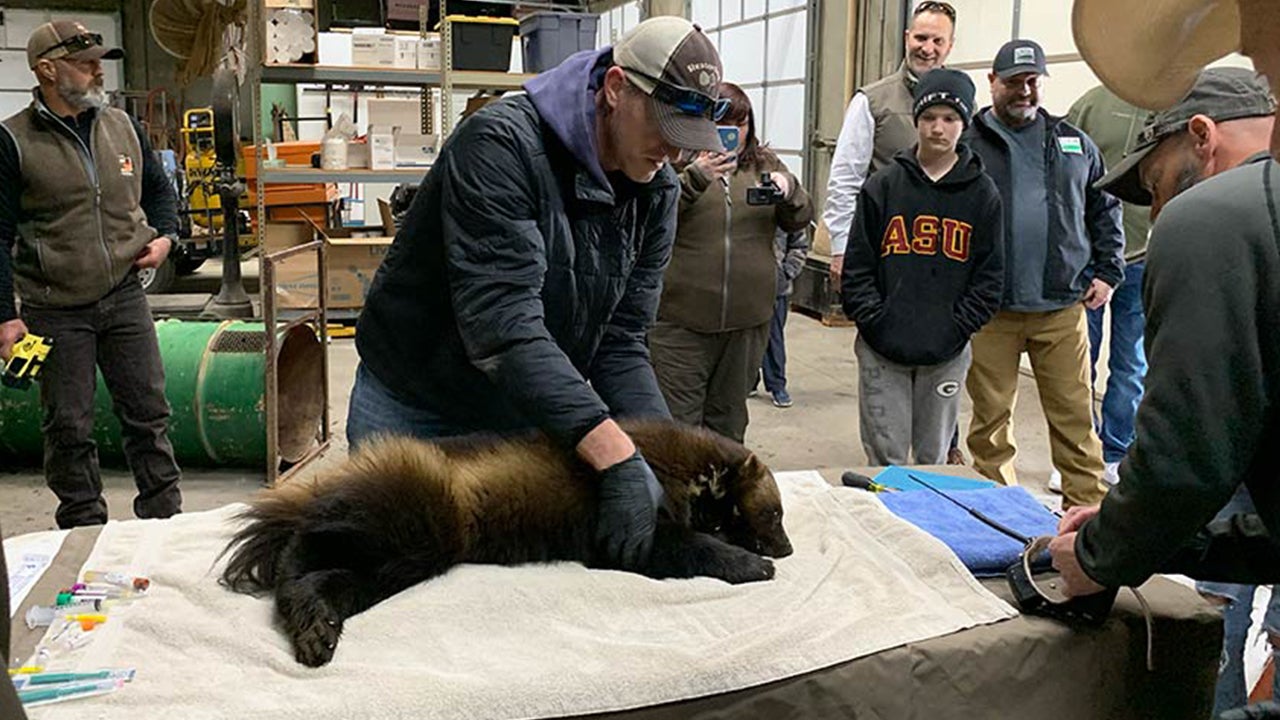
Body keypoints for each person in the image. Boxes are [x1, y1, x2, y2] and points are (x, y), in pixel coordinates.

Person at [350, 17, 725, 570]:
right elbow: (503, 327)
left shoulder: (656, 189)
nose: (673, 153)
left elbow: (620, 341)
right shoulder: (501, 147)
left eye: (686, 139)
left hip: (526, 405)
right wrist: (615, 455)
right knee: (392, 566)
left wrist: (660, 458)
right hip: (418, 403)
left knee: (499, 587)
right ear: (617, 88)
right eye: (665, 127)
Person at [1052, 0, 1280, 595]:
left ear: (1201, 137)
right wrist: (1179, 544)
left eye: (1155, 186)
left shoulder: (1215, 219)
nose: (1156, 213)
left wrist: (1100, 557)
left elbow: (1184, 460)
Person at [0, 21, 182, 529]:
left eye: (99, 60)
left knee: (149, 414)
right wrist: (4, 318)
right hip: (54, 308)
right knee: (68, 426)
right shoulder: (12, 141)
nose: (98, 70)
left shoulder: (121, 125)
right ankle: (82, 529)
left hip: (124, 296)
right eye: (84, 63)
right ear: (46, 69)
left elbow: (161, 193)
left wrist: (166, 238)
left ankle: (164, 523)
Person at [960, 39, 1124, 508]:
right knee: (989, 428)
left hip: (1060, 307)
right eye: (1014, 81)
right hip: (992, 310)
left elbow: (1104, 208)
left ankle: (1086, 520)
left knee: (1075, 422)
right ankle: (997, 516)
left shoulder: (1072, 142)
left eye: (1032, 81)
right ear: (992, 82)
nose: (1025, 91)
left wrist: (1108, 271)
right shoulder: (969, 146)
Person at [822, 0, 967, 464]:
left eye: (937, 40)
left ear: (949, 46)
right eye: (920, 38)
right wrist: (843, 252)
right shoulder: (873, 100)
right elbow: (845, 180)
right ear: (907, 38)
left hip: (944, 269)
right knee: (884, 383)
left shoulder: (966, 103)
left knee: (940, 401)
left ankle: (943, 455)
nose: (927, 48)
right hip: (887, 264)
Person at [840, 68, 1003, 465]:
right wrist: (875, 320)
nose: (938, 128)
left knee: (934, 457)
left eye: (950, 118)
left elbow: (990, 276)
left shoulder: (983, 194)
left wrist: (958, 325)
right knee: (885, 458)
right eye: (929, 117)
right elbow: (858, 267)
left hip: (945, 350)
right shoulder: (883, 186)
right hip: (883, 348)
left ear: (964, 124)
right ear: (916, 121)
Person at [649, 82, 812, 443]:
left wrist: (790, 191)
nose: (732, 134)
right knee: (679, 428)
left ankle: (723, 500)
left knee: (729, 424)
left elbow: (801, 218)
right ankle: (676, 501)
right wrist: (695, 177)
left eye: (741, 124)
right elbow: (651, 219)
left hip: (746, 323)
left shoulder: (765, 164)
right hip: (679, 323)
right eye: (721, 123)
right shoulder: (672, 162)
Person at [1066, 85, 1153, 488]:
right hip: (1092, 260)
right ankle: (1080, 453)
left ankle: (1116, 451)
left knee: (1130, 363)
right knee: (1081, 362)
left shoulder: (1174, 105)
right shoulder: (1091, 105)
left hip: (1144, 255)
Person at [757, 226, 810, 409]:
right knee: (742, 337)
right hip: (745, 283)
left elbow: (800, 245)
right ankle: (749, 380)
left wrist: (786, 273)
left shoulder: (786, 205)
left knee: (773, 337)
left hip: (776, 287)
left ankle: (777, 385)